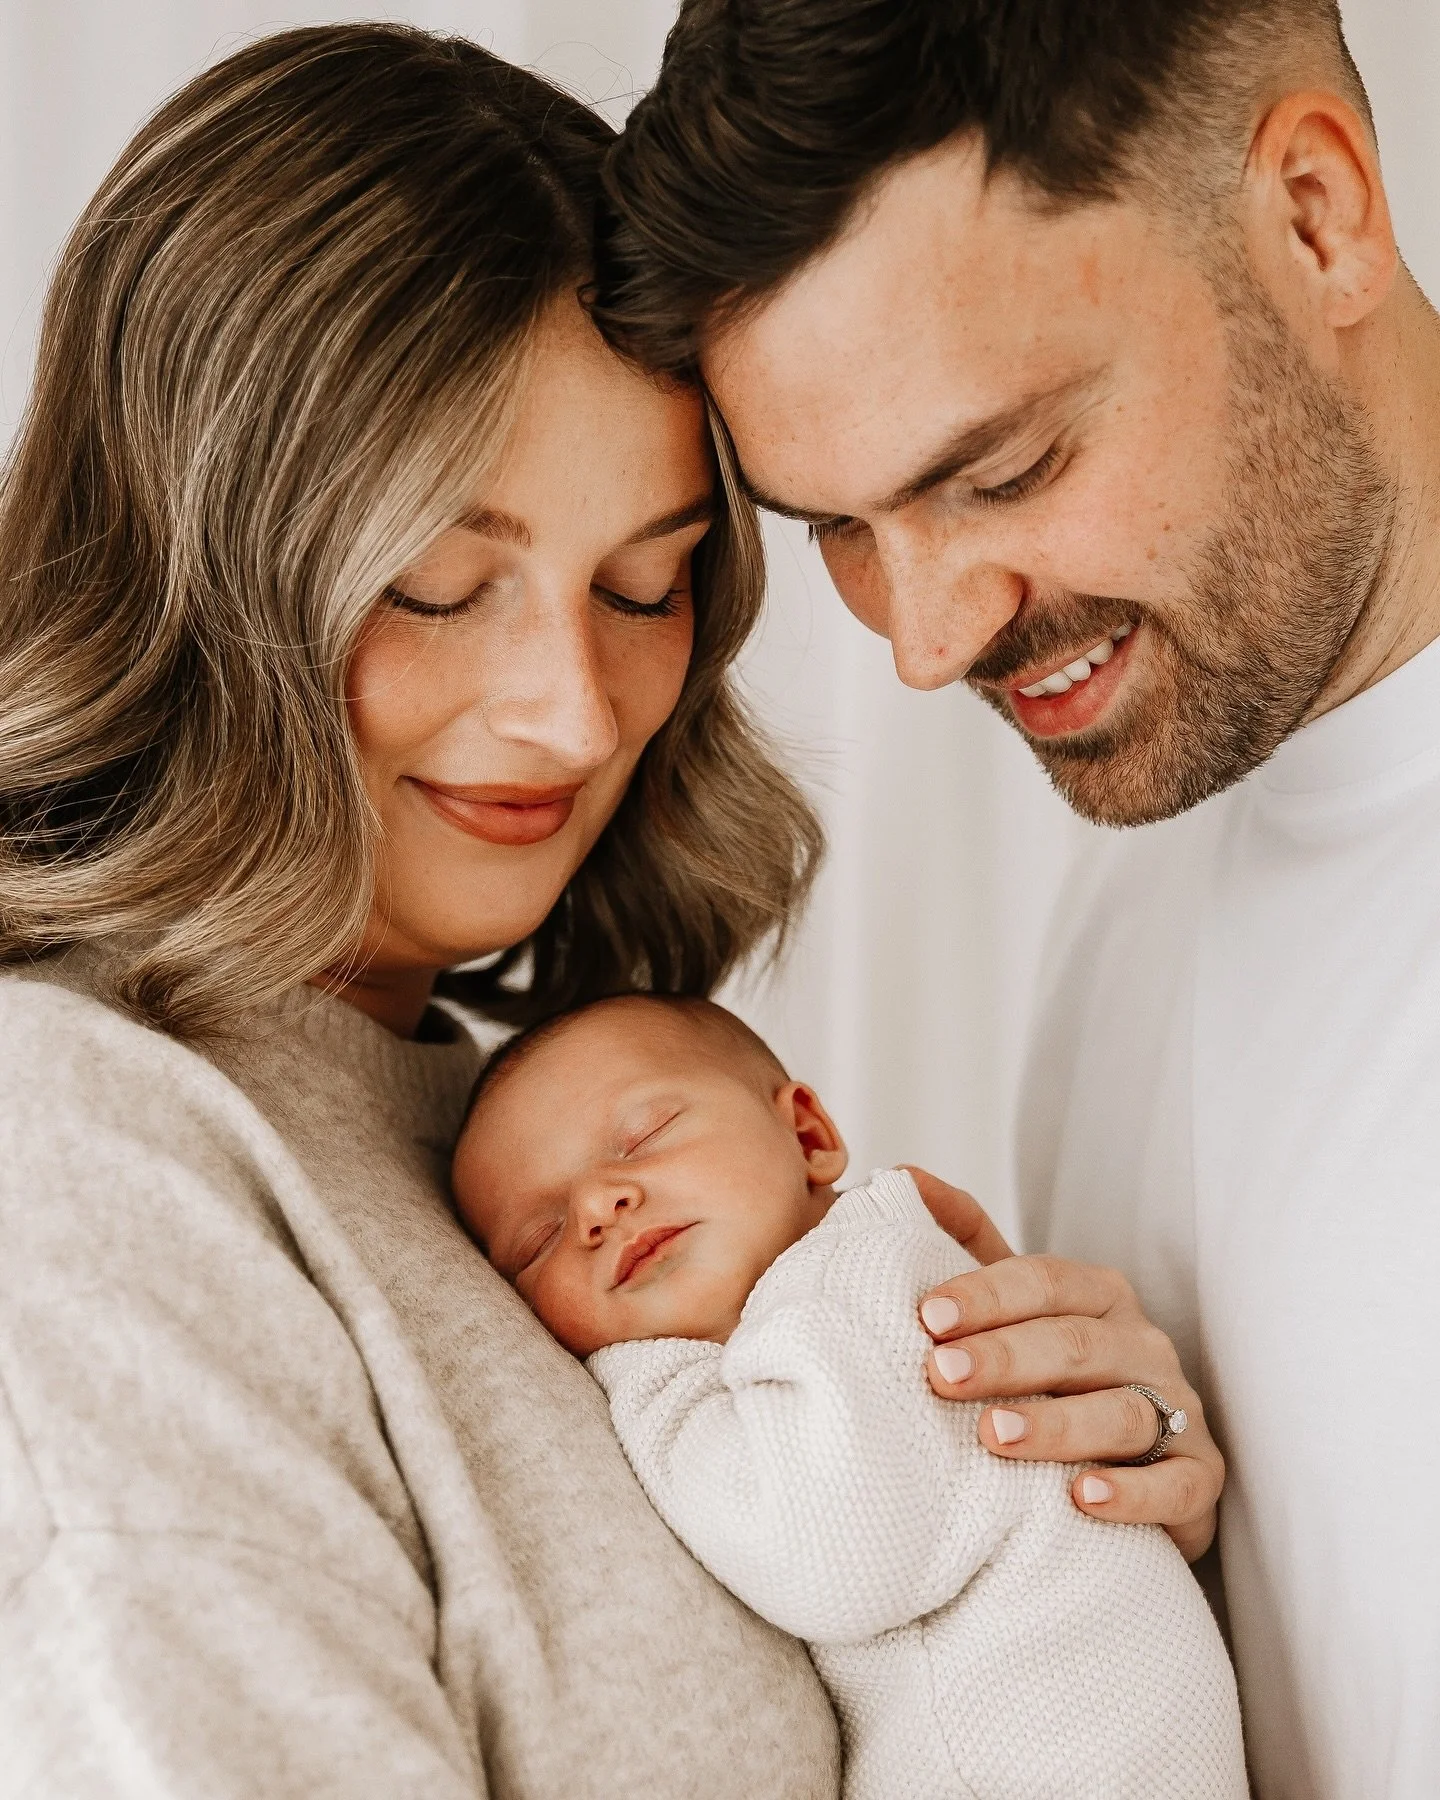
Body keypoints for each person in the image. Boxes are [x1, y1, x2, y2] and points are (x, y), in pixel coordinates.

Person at [594, 2, 1440, 1796]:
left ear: (1315, 213)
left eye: (1000, 472)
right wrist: (1144, 1538)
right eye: (837, 528)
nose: (924, 640)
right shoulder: (1137, 888)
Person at [0, 24, 842, 1798]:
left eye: (648, 582)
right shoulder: (71, 1142)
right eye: (441, 586)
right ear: (193, 562)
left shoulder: (506, 1119)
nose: (579, 711)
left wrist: (1043, 1492)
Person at [451, 992, 1249, 1800]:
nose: (595, 1207)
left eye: (645, 1136)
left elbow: (828, 1556)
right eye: (537, 1238)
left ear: (808, 1135)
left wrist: (644, 1378)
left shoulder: (857, 1281)